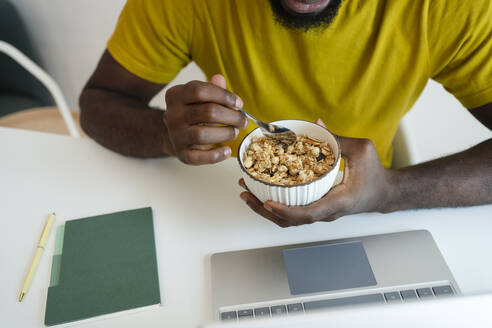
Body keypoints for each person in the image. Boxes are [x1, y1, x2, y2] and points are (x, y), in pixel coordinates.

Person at [80, 0, 492, 227]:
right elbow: (98, 103)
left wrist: (391, 192)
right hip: (216, 208)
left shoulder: (450, 8)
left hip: (368, 211)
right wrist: (164, 135)